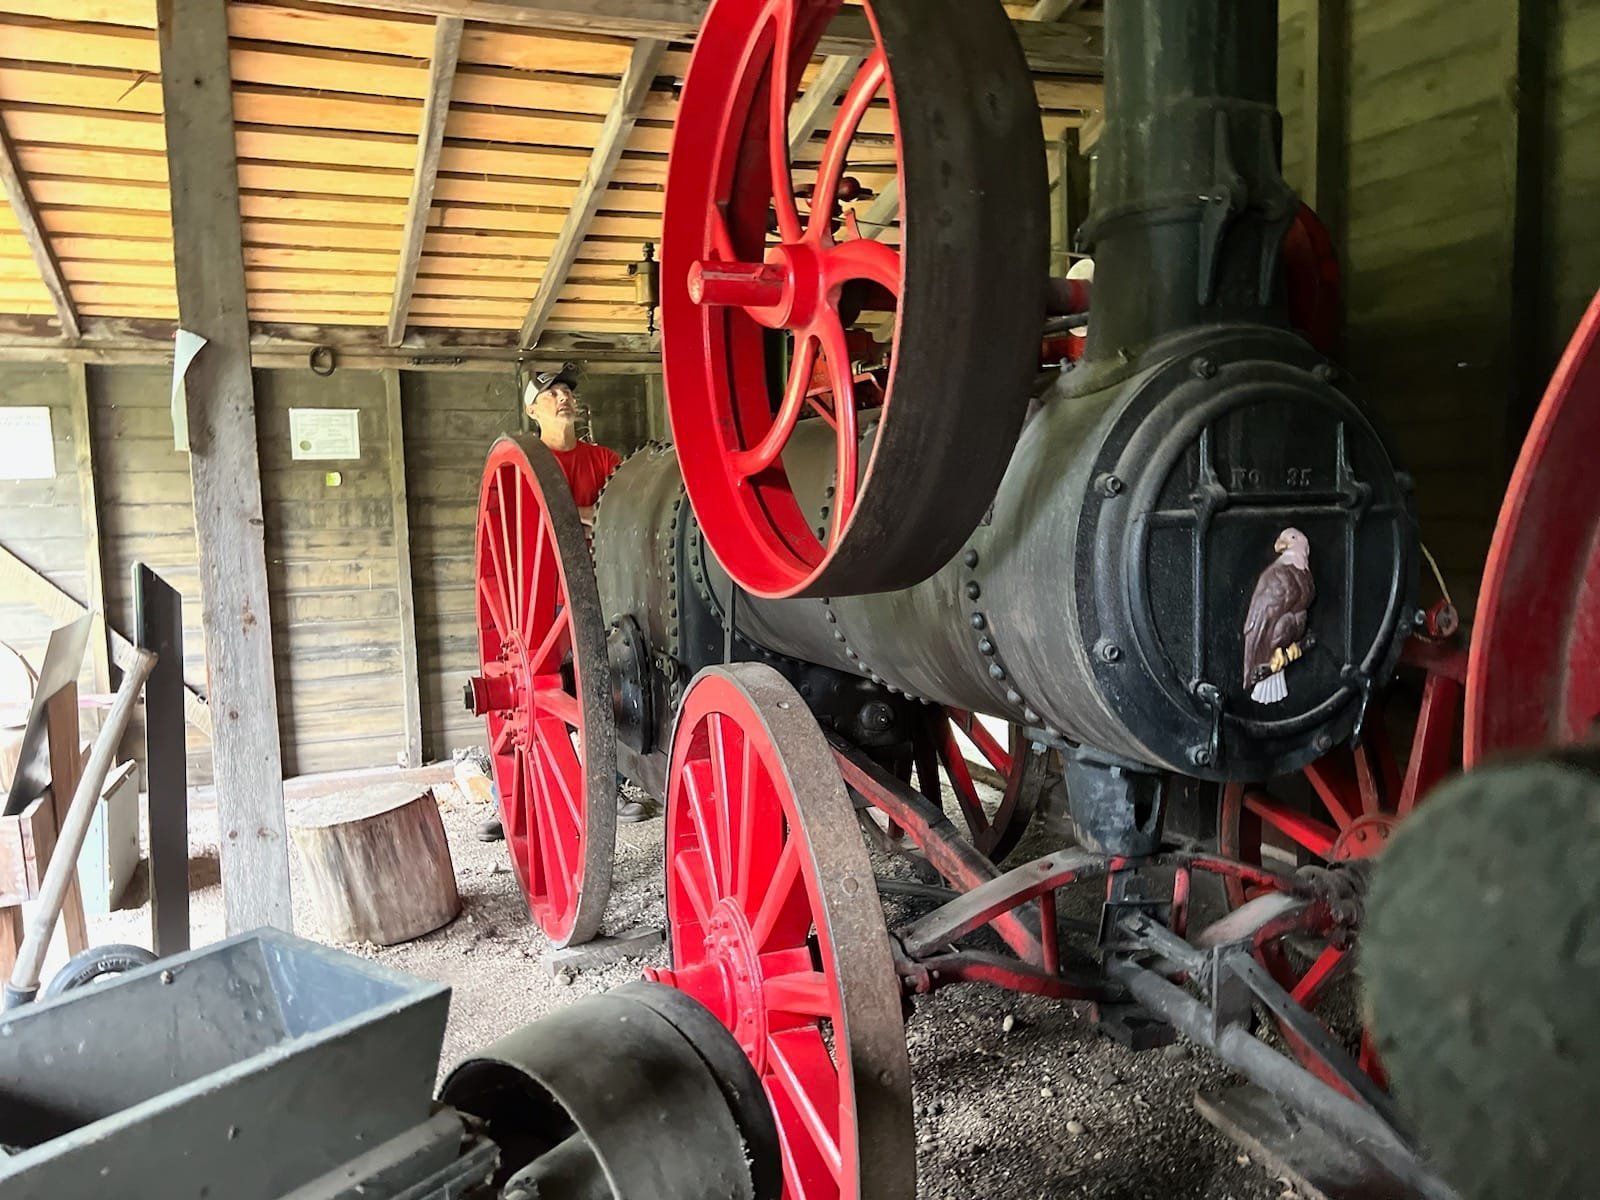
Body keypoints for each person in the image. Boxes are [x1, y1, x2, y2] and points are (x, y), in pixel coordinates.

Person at [478, 370, 650, 842]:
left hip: (598, 596)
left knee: (604, 690)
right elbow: (532, 517)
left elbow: (620, 519)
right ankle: (511, 797)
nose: (562, 398)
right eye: (550, 394)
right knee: (531, 698)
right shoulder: (524, 467)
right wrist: (583, 514)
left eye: (568, 391)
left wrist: (571, 515)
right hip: (542, 608)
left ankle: (609, 789)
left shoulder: (605, 460)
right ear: (532, 411)